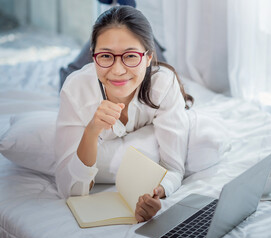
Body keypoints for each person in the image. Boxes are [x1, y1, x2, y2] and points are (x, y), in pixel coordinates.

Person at [55, 5, 194, 223]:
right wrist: (91, 131)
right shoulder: (75, 90)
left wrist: (156, 193)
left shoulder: (163, 84)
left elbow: (174, 168)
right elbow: (70, 189)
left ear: (148, 58)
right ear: (93, 57)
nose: (118, 70)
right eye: (106, 55)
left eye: (130, 56)